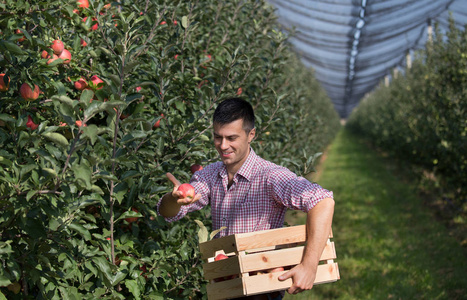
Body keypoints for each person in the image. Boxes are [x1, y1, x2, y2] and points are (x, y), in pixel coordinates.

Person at [157, 98, 334, 299]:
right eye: (217, 137)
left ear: (251, 135)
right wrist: (173, 199)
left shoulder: (270, 176)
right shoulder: (210, 174)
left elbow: (323, 201)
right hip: (224, 285)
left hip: (260, 288)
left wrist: (309, 266)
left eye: (231, 138)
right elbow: (168, 212)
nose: (223, 146)